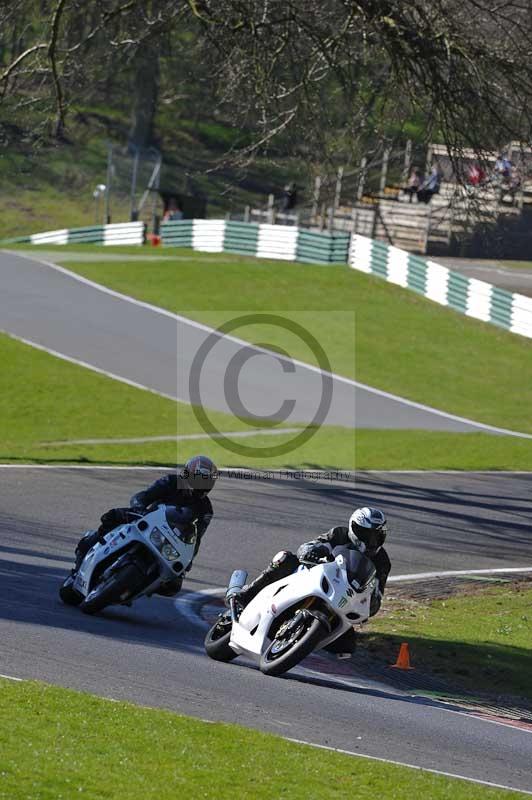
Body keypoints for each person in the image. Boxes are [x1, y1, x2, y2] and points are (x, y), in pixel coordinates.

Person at [235, 507, 391, 653]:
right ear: (354, 528)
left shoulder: (382, 562)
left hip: (343, 598)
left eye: (376, 536)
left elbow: (377, 594)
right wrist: (312, 552)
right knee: (286, 558)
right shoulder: (339, 534)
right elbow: (310, 545)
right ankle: (248, 593)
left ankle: (303, 642)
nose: (371, 541)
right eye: (366, 534)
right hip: (318, 576)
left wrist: (371, 604)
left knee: (348, 646)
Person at [70, 455, 218, 596]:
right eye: (198, 478)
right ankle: (89, 548)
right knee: (112, 516)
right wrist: (139, 507)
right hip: (146, 520)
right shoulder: (171, 482)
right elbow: (143, 496)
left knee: (173, 586)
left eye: (205, 481)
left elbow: (197, 537)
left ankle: (136, 586)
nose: (200, 484)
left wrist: (188, 561)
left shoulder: (205, 509)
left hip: (171, 540)